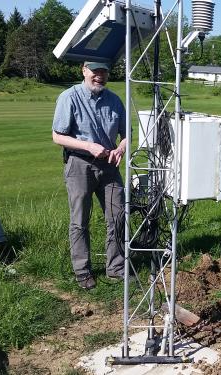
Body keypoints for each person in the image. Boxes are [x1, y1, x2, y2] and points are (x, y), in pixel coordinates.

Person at [52, 61, 127, 290]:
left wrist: (121, 148)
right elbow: (58, 136)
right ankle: (83, 272)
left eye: (104, 72)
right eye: (95, 72)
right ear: (84, 71)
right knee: (80, 220)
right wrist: (88, 146)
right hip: (79, 164)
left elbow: (127, 135)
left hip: (109, 165)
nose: (100, 76)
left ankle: (115, 268)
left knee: (118, 216)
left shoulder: (114, 100)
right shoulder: (69, 97)